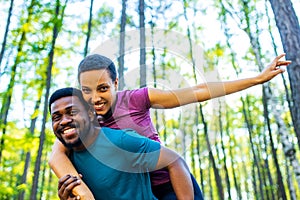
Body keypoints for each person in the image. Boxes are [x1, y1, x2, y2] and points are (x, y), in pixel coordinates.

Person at [49, 53, 291, 199]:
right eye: (88, 91)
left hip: (172, 184)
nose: (96, 98)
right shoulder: (84, 120)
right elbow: (56, 154)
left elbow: (198, 91)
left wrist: (257, 78)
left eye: (103, 88)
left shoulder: (136, 98)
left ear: (115, 83)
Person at [49, 87, 194, 200]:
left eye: (72, 112)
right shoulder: (66, 164)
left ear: (91, 114)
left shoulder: (121, 141)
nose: (64, 121)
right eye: (56, 117)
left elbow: (174, 161)